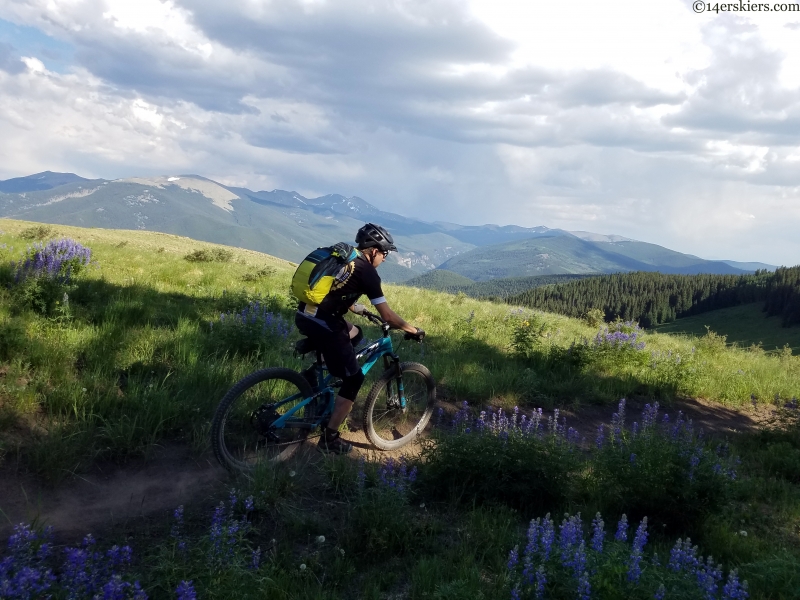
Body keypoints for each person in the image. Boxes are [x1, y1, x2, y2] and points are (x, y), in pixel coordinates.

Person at [295, 223, 425, 454]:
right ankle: (330, 437)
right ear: (374, 250)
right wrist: (411, 329)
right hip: (324, 323)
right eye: (384, 253)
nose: (385, 258)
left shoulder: (348, 257)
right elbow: (387, 315)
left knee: (356, 333)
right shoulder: (367, 272)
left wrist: (356, 308)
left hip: (305, 314)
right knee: (354, 379)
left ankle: (316, 372)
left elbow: (335, 288)